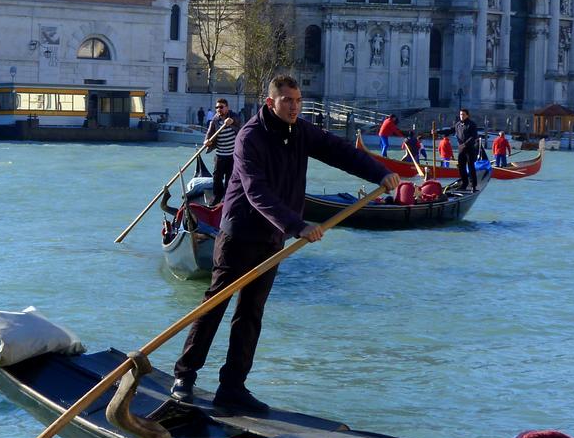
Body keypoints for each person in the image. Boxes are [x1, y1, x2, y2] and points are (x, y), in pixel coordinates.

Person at [171, 76, 401, 413]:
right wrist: (297, 226)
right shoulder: (249, 137)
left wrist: (378, 173)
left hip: (272, 237)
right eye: (287, 101)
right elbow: (256, 191)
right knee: (215, 305)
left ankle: (232, 387)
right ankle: (185, 376)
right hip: (239, 233)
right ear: (271, 102)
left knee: (251, 313)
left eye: (298, 100)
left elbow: (340, 152)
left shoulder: (302, 131)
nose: (294, 107)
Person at [204, 99, 237, 201]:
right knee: (217, 177)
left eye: (221, 107)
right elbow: (209, 133)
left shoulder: (234, 116)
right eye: (217, 107)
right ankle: (217, 197)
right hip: (220, 154)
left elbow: (239, 122)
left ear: (227, 108)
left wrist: (232, 121)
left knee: (230, 178)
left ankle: (228, 199)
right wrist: (206, 141)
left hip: (233, 155)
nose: (219, 109)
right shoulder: (215, 120)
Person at [453, 108, 480, 191]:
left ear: (467, 115)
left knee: (471, 167)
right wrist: (437, 132)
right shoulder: (457, 124)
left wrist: (464, 144)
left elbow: (473, 137)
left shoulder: (472, 124)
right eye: (460, 114)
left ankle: (473, 185)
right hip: (461, 150)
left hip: (470, 149)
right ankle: (464, 184)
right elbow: (450, 130)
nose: (461, 116)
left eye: (463, 114)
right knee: (461, 167)